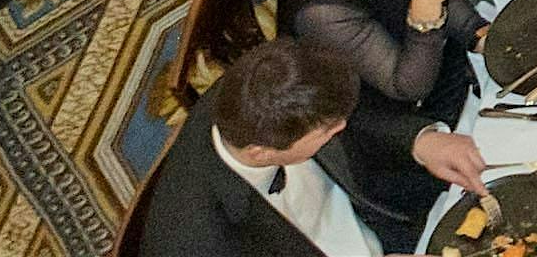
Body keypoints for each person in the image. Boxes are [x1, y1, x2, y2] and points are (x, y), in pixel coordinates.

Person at [277, 0, 499, 245]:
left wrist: (482, 37)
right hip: (392, 133)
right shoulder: (322, 9)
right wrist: (427, 4)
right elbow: (408, 85)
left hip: (450, 76)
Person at [127, 39, 371, 257]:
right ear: (261, 152)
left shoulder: (251, 88)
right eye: (327, 130)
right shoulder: (201, 244)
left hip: (365, 216)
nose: (341, 126)